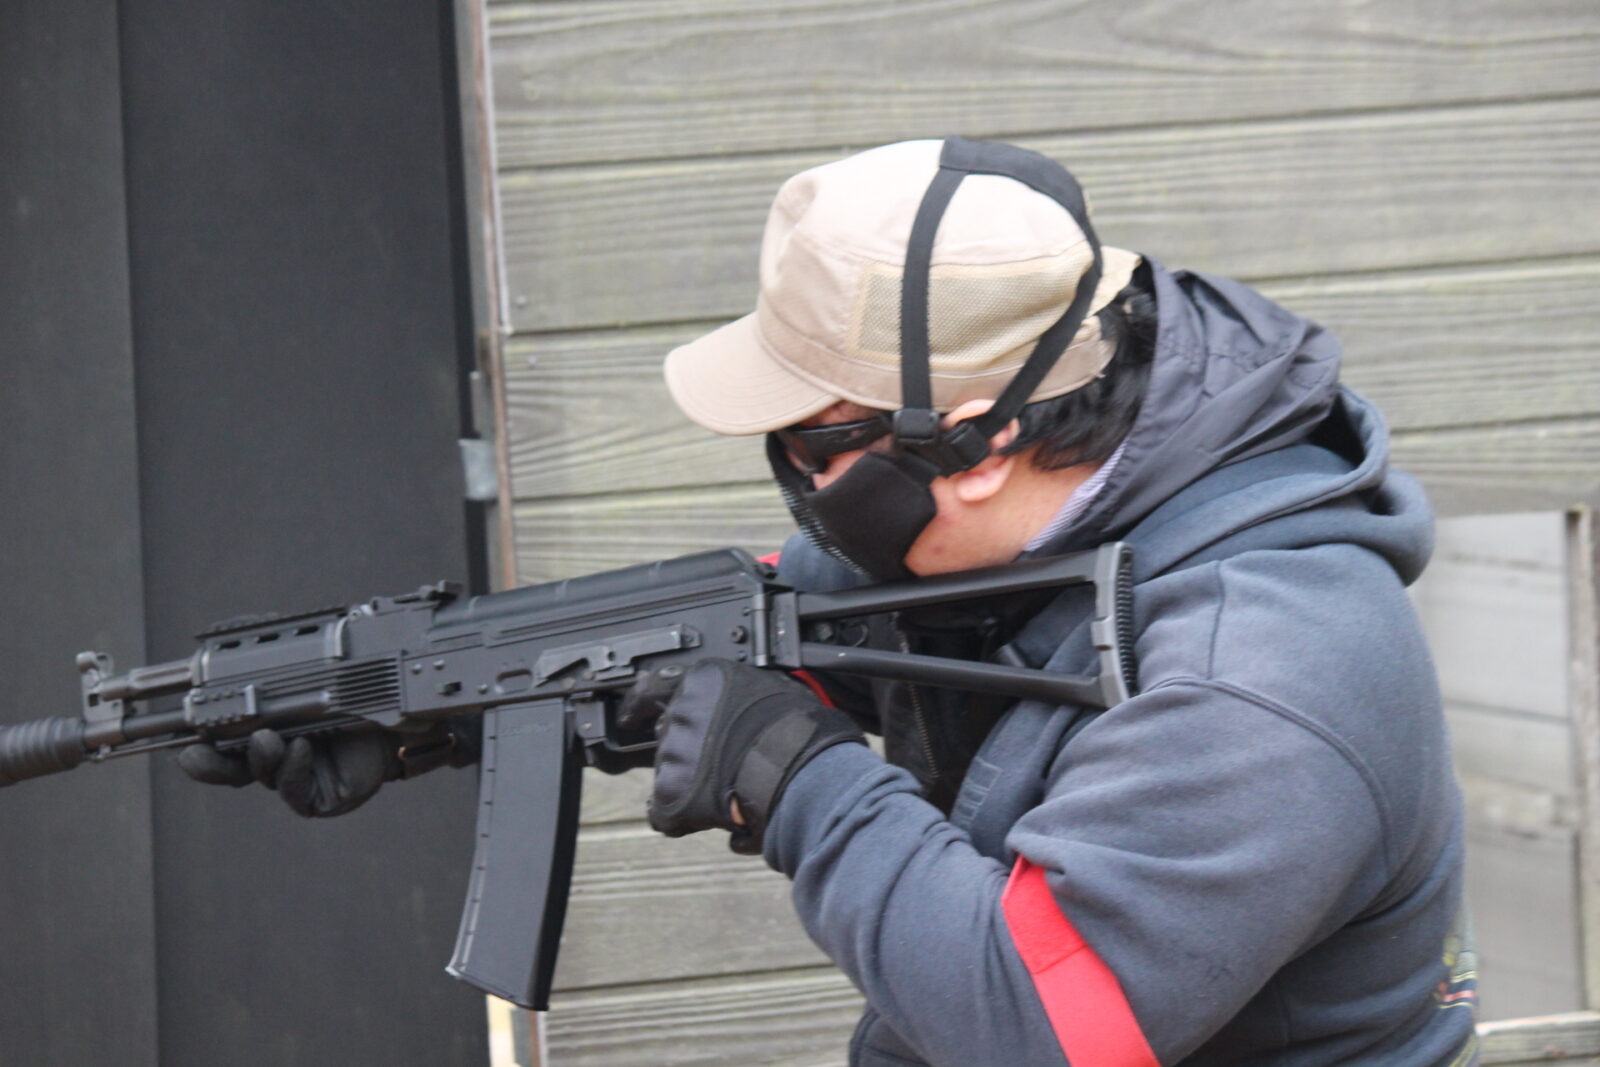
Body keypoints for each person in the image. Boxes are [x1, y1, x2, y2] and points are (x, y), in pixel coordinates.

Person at [184, 137, 1479, 1066]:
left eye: (814, 446)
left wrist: (795, 779)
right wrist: (434, 709)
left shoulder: (1262, 676)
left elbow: (1035, 1022)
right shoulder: (1043, 521)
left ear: (977, 439)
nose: (799, 487)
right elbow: (788, 637)